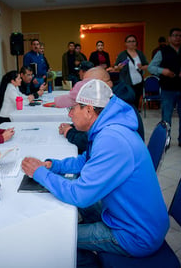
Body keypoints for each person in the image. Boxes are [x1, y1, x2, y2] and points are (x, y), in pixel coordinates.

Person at [22, 79, 169, 267]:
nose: (70, 114)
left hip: (135, 234)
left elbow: (79, 195)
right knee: (72, 200)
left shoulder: (111, 139)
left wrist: (40, 173)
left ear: (89, 110)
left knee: (56, 237)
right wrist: (52, 166)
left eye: (73, 109)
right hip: (128, 216)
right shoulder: (108, 128)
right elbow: (86, 161)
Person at [56, 67, 144, 153]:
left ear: (102, 85)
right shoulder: (113, 100)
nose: (84, 89)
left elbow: (91, 141)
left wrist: (69, 132)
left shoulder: (115, 107)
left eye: (89, 85)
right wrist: (74, 126)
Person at [148, 28, 181, 151]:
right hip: (168, 89)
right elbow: (151, 67)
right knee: (166, 117)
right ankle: (166, 141)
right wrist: (163, 71)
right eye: (175, 35)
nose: (177, 38)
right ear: (169, 38)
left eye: (180, 35)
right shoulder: (163, 51)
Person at [114, 35, 149, 109]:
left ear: (136, 43)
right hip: (127, 82)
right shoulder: (122, 55)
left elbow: (147, 65)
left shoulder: (140, 54)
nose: (131, 43)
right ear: (125, 43)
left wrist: (142, 67)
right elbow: (115, 67)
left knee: (136, 101)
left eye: (133, 41)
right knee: (128, 101)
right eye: (129, 41)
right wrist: (119, 67)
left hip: (138, 82)